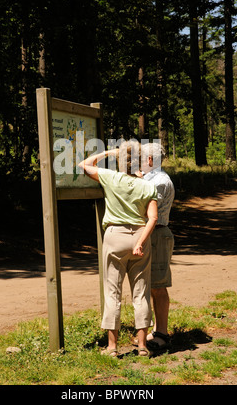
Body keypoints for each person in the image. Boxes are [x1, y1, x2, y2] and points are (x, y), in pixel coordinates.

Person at [78, 140, 158, 357]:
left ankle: (112, 348)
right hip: (140, 236)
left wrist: (108, 152)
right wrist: (140, 241)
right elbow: (153, 218)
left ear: (121, 162)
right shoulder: (148, 186)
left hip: (114, 237)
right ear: (140, 162)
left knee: (112, 292)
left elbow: (83, 165)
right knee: (141, 293)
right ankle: (142, 346)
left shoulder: (110, 177)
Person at [141, 142, 175, 350]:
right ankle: (155, 330)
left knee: (158, 285)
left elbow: (147, 211)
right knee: (150, 285)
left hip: (157, 235)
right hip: (150, 235)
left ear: (150, 160)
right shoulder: (151, 178)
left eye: (141, 158)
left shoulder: (160, 181)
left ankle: (162, 332)